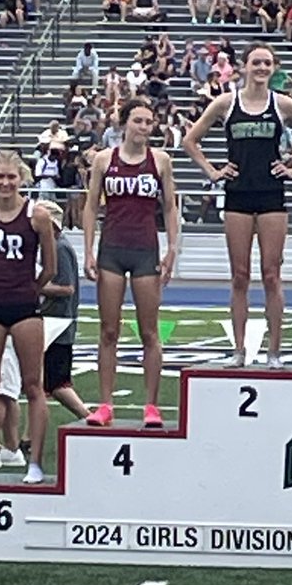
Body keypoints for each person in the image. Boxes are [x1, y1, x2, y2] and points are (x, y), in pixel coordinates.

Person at [183, 43, 292, 368]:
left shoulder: (283, 104)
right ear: (243, 66)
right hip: (238, 195)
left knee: (272, 275)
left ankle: (274, 352)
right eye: (256, 62)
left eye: (267, 63)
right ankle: (239, 350)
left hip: (271, 194)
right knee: (240, 276)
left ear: (274, 68)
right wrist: (213, 171)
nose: (261, 68)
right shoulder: (226, 103)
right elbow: (190, 140)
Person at [83, 98, 178, 429]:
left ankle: (151, 405)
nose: (144, 127)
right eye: (138, 120)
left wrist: (172, 250)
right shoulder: (104, 160)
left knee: (149, 331)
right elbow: (91, 206)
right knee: (108, 330)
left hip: (145, 250)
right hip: (112, 249)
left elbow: (170, 207)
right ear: (124, 123)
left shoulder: (160, 161)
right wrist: (88, 251)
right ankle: (105, 404)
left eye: (149, 122)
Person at [0, 150, 56, 484]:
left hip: (25, 308)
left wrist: (30, 289)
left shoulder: (38, 216)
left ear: (21, 179)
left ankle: (35, 463)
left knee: (33, 385)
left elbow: (50, 267)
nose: (5, 183)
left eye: (11, 177)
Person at [36, 200, 91, 421]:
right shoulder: (53, 246)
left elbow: (67, 288)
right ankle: (29, 435)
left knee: (56, 383)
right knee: (40, 382)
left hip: (57, 323)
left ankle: (88, 418)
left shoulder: (59, 248)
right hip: (52, 321)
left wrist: (33, 287)